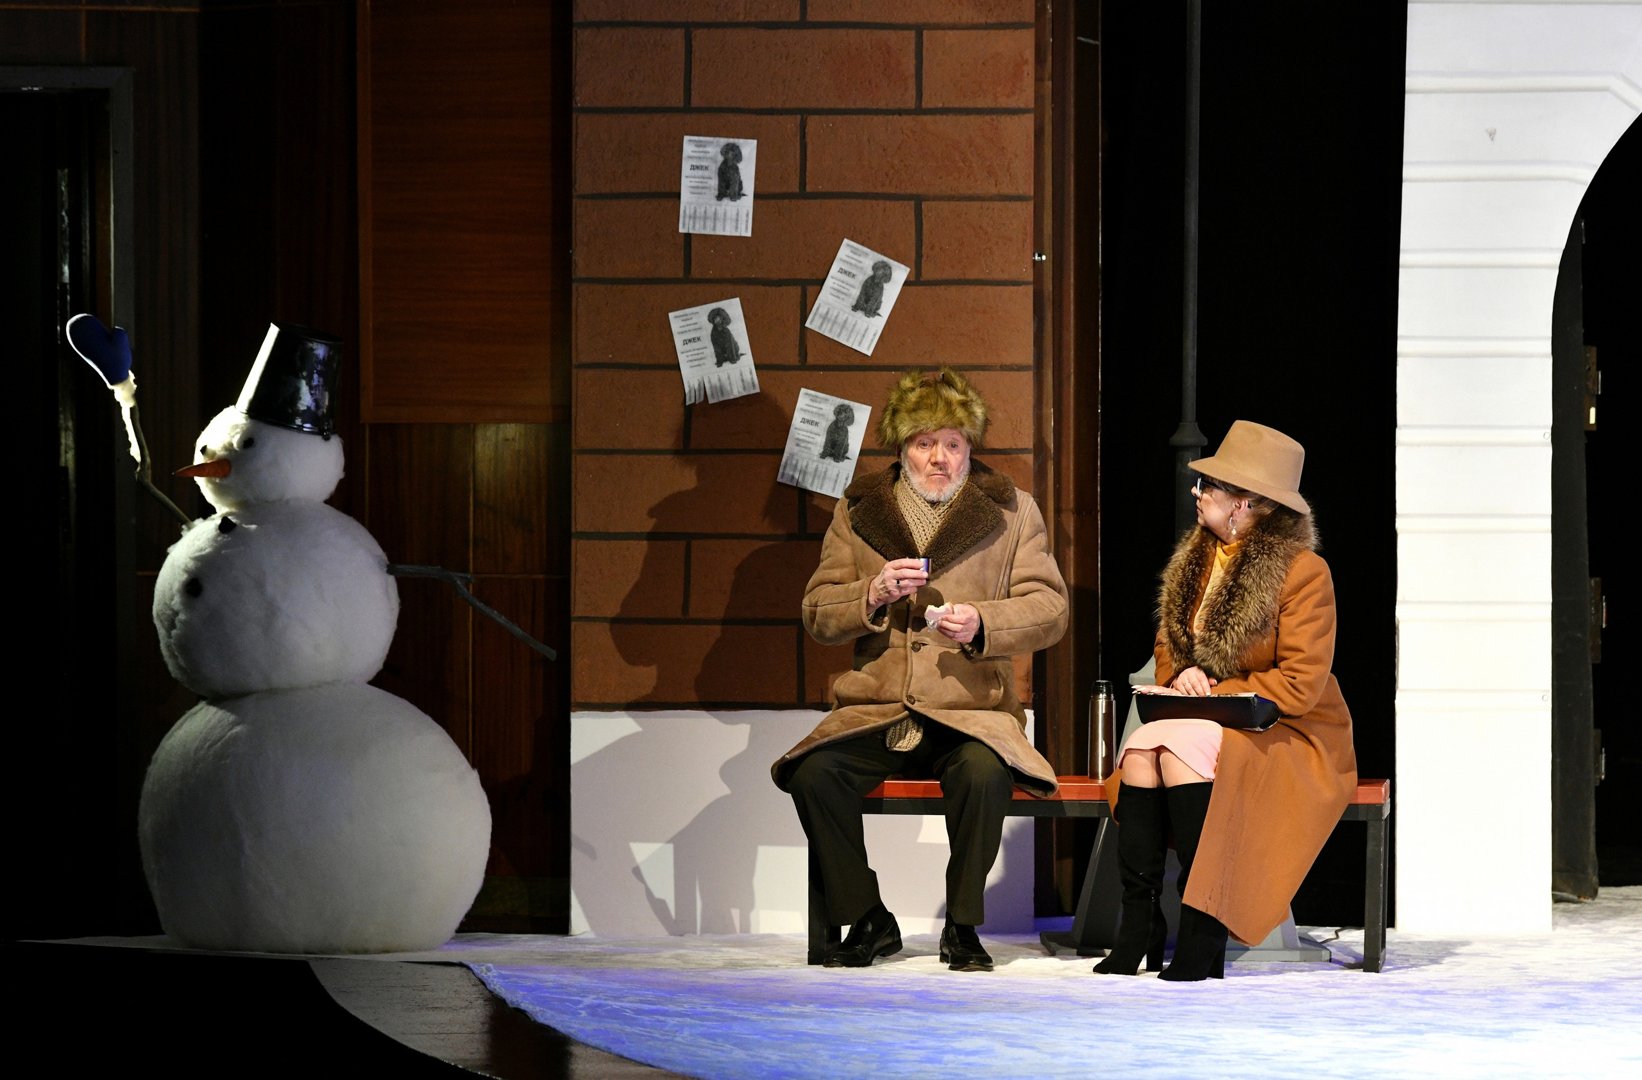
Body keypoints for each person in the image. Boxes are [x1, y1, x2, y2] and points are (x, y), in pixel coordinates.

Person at [772, 368, 1069, 971]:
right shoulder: (859, 509)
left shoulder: (1013, 511)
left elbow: (1050, 609)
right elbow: (816, 611)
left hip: (970, 712)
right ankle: (868, 916)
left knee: (983, 774)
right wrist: (871, 593)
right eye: (925, 442)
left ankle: (962, 924)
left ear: (969, 447)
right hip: (878, 708)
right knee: (813, 775)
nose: (939, 458)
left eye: (953, 443)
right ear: (903, 447)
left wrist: (982, 622)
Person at [1094, 420, 1356, 981]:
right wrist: (1184, 674)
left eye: (1208, 485)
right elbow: (1168, 647)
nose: (1197, 492)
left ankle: (1203, 929)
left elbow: (1301, 683)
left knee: (1177, 749)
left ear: (1246, 502)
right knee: (1140, 750)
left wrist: (1215, 692)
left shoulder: (1303, 573)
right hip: (1207, 717)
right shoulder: (1196, 561)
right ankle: (1139, 926)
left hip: (1288, 726)